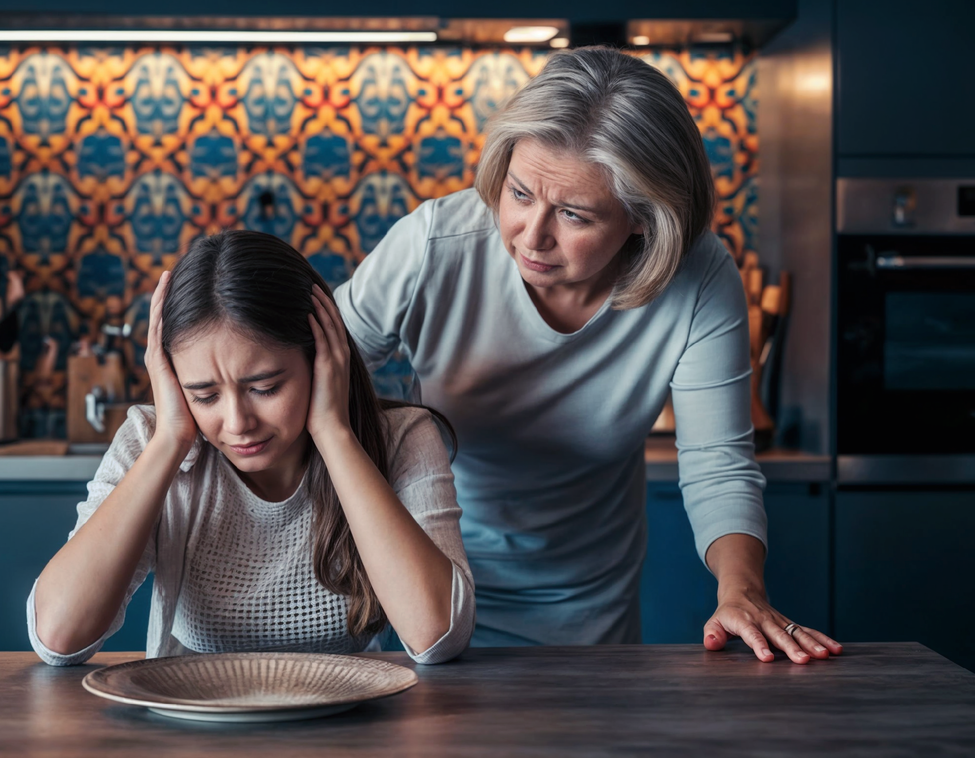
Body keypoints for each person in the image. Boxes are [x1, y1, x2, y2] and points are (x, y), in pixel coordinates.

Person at [335, 46, 841, 664]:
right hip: (427, 588)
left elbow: (717, 462)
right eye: (519, 194)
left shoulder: (699, 277)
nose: (531, 234)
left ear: (644, 219)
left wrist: (743, 591)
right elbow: (314, 375)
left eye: (573, 214)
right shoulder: (435, 245)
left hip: (589, 605)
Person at [27, 230, 474, 666]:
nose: (238, 424)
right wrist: (169, 441)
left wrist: (333, 432)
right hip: (190, 729)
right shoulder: (151, 440)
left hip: (347, 730)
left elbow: (436, 636)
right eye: (204, 396)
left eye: (265, 387)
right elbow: (59, 639)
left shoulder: (402, 438)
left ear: (321, 358)